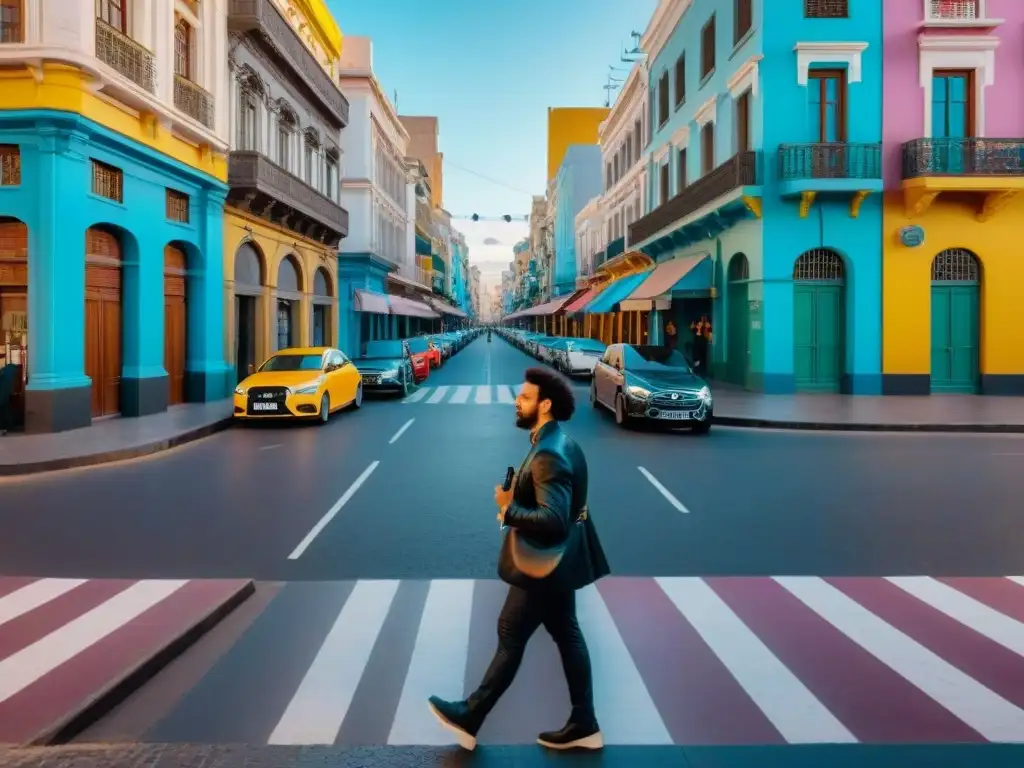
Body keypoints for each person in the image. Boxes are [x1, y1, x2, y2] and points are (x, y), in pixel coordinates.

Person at [428, 366, 609, 752]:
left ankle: (471, 715)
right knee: (566, 633)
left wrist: (507, 510)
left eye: (525, 398)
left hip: (543, 565)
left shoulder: (549, 455)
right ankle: (585, 722)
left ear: (544, 404)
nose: (517, 401)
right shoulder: (560, 442)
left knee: (511, 634)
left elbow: (554, 519)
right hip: (559, 564)